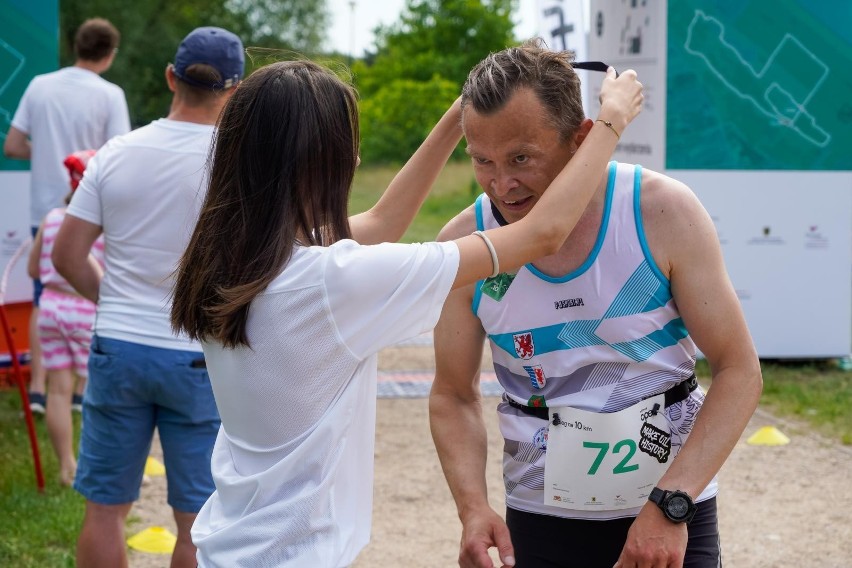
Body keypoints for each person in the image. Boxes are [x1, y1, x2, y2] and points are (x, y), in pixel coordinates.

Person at [167, 59, 641, 567]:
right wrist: (611, 122)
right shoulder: (332, 282)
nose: (354, 156)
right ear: (318, 162)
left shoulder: (238, 257)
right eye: (345, 145)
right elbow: (542, 234)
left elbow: (383, 220)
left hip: (234, 544)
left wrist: (469, 105)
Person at [428, 39, 763, 568]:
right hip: (540, 516)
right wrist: (473, 508)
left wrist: (671, 506)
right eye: (482, 161)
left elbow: (739, 370)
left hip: (668, 510)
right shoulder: (468, 242)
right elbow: (452, 394)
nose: (502, 185)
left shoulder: (662, 212)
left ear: (582, 138)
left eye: (521, 158)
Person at [50, 26, 244, 568]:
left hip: (118, 347)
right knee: (200, 519)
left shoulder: (114, 154)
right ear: (234, 92)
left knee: (105, 509)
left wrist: (112, 300)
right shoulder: (236, 165)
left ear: (170, 78)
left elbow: (67, 255)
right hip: (199, 354)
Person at [3, 17, 130, 414]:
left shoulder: (40, 86)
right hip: (91, 212)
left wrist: (42, 156)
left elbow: (13, 145)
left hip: (45, 207)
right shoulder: (110, 95)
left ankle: (40, 388)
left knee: (46, 293)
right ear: (109, 55)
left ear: (77, 46)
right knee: (90, 293)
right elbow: (118, 157)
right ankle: (78, 389)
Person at [26, 149, 103, 486]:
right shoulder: (102, 224)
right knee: (98, 392)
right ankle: (96, 465)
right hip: (86, 310)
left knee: (57, 390)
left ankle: (65, 466)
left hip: (51, 309)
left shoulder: (52, 218)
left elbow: (33, 269)